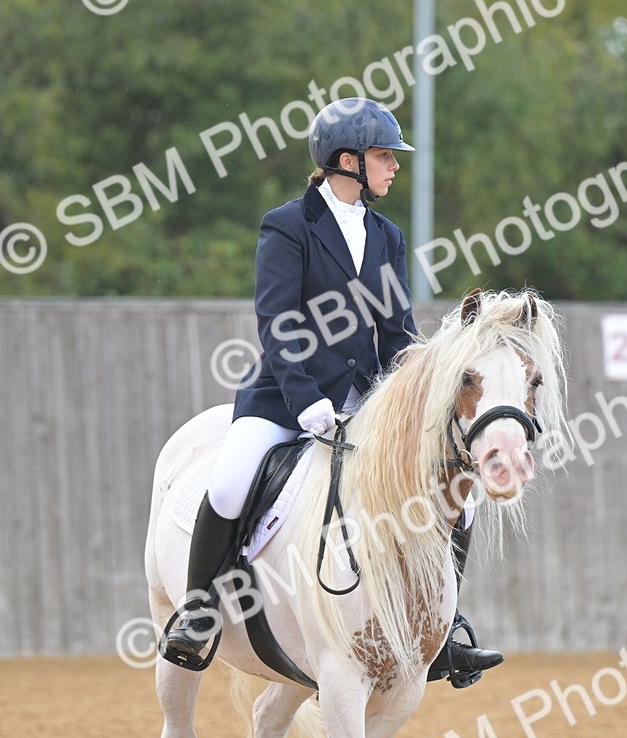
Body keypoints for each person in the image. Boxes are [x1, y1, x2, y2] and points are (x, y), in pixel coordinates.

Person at [160, 98, 503, 685]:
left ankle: (440, 631)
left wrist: (418, 395)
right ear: (348, 161)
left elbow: (396, 333)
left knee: (459, 497)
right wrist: (306, 400)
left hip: (362, 400)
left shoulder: (387, 235)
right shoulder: (288, 225)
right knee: (230, 482)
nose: (393, 166)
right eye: (383, 156)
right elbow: (278, 322)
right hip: (284, 397)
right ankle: (199, 611)